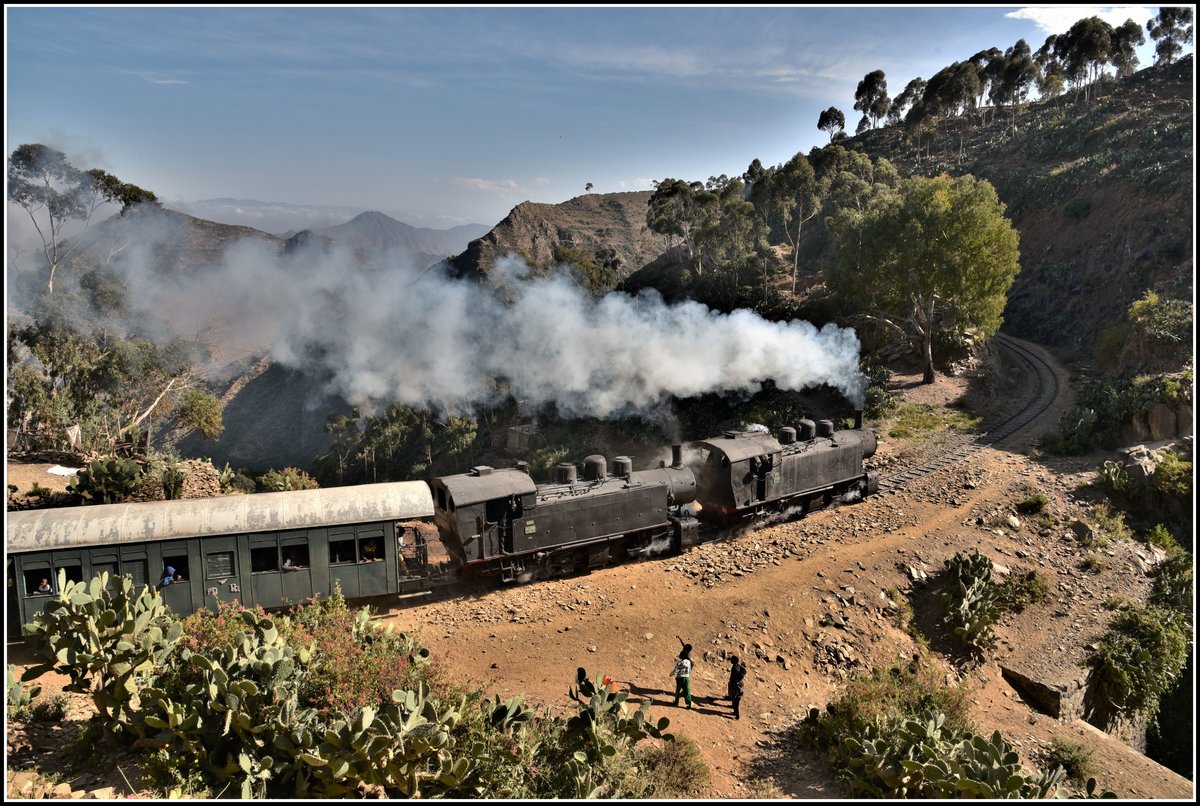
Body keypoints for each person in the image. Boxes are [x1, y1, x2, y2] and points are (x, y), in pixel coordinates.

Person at [672, 643, 693, 709]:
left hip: (680, 678)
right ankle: (689, 703)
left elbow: (676, 670)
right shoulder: (689, 662)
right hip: (686, 678)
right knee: (687, 691)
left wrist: (671, 674)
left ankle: (676, 702)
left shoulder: (680, 662)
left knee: (678, 691)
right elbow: (689, 670)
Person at [727, 655, 747, 720]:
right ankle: (734, 711)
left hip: (736, 689)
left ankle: (737, 716)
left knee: (736, 702)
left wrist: (732, 682)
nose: (730, 660)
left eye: (732, 660)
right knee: (734, 699)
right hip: (736, 687)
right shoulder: (737, 666)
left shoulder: (735, 668)